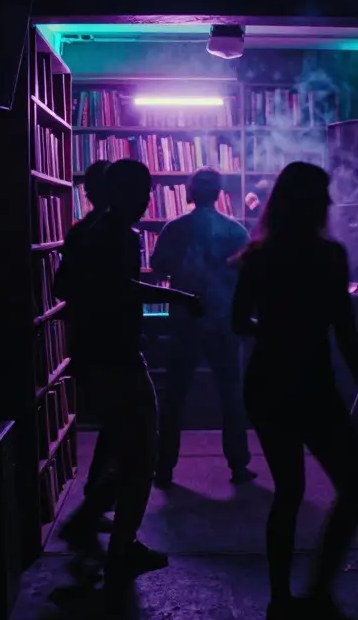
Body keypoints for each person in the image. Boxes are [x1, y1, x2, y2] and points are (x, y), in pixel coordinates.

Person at [230, 161, 358, 620]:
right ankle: (318, 592)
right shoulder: (329, 256)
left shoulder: (258, 256)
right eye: (326, 195)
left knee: (288, 492)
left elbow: (238, 322)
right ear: (314, 203)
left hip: (268, 381)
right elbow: (347, 334)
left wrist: (273, 330)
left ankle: (281, 602)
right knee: (353, 487)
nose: (332, 203)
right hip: (313, 385)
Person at [53, 159, 205, 593]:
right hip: (116, 352)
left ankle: (98, 530)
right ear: (124, 193)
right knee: (142, 452)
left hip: (88, 350)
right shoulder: (121, 235)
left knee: (131, 446)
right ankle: (116, 543)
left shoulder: (83, 231)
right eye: (143, 193)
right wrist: (180, 297)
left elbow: (63, 288)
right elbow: (124, 287)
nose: (147, 202)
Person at [150, 167, 256, 488]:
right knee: (231, 393)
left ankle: (165, 466)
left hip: (185, 318)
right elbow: (247, 275)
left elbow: (158, 267)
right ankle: (238, 465)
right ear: (219, 193)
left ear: (190, 193)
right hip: (223, 319)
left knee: (175, 395)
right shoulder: (236, 231)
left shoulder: (175, 228)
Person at [62, 160, 115, 538]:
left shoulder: (79, 232)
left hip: (84, 336)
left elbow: (60, 286)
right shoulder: (113, 235)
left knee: (114, 425)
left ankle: (94, 503)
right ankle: (93, 508)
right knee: (124, 428)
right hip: (108, 340)